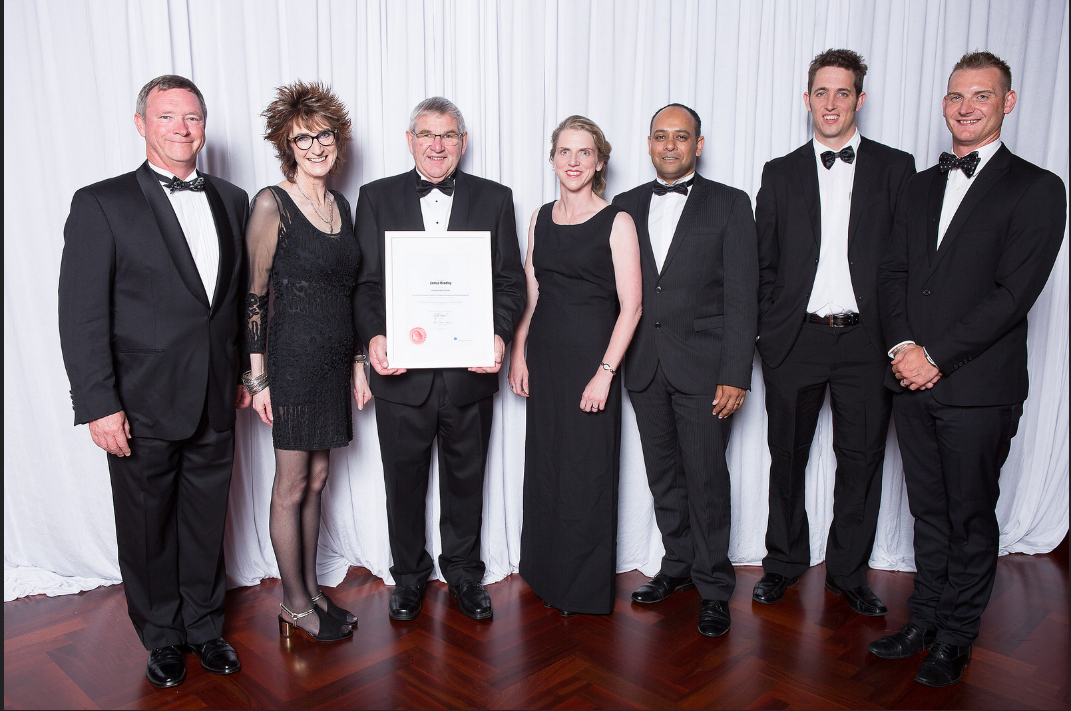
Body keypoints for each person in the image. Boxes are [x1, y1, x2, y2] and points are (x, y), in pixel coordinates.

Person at [872, 51, 1066, 687]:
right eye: (956, 96)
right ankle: (925, 618)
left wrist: (937, 357)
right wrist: (903, 347)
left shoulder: (1037, 188)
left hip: (979, 388)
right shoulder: (920, 185)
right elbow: (893, 274)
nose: (965, 107)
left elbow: (1014, 294)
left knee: (969, 516)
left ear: (1006, 103)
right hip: (910, 380)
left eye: (981, 96)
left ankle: (957, 636)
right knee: (927, 512)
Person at [58, 75, 249, 688]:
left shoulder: (233, 197)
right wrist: (98, 404)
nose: (182, 128)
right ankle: (162, 636)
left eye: (192, 117)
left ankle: (204, 625)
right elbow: (82, 314)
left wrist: (245, 370)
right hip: (138, 403)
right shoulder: (101, 202)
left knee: (204, 519)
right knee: (146, 526)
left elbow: (237, 300)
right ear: (141, 123)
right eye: (167, 117)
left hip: (217, 394)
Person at [752, 50, 915, 616]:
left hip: (867, 343)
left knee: (862, 458)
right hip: (795, 339)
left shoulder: (897, 169)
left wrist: (898, 337)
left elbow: (904, 261)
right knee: (786, 456)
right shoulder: (779, 172)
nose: (830, 103)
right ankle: (784, 562)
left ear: (859, 100)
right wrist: (770, 335)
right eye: (821, 92)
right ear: (806, 99)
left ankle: (848, 573)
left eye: (842, 93)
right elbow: (763, 263)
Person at [353, 97, 526, 621]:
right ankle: (407, 577)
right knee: (401, 485)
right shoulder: (375, 197)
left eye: (447, 135)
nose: (437, 145)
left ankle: (465, 575)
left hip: (467, 375)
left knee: (465, 483)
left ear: (462, 142)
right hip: (400, 376)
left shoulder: (495, 199)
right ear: (409, 140)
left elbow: (510, 283)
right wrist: (374, 338)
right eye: (426, 134)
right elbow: (365, 286)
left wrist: (497, 335)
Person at [612, 104, 758, 637]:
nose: (669, 145)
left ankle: (715, 584)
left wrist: (736, 373)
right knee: (663, 473)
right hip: (645, 365)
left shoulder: (730, 203)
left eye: (681, 136)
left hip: (706, 369)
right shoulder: (624, 206)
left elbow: (744, 295)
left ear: (698, 144)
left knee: (706, 476)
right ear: (648, 143)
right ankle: (677, 566)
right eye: (660, 136)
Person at [244, 81, 369, 642]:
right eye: (302, 139)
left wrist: (358, 360)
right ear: (286, 146)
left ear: (337, 139)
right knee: (290, 484)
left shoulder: (341, 204)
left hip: (332, 362)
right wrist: (258, 374)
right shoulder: (272, 202)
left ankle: (313, 592)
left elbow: (349, 291)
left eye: (323, 135)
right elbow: (254, 294)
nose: (316, 146)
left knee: (318, 478)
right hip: (291, 362)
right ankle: (294, 604)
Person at [509, 116, 642, 616]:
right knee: (546, 467)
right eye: (564, 151)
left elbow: (632, 307)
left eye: (584, 152)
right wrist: (519, 349)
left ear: (600, 161)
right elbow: (533, 291)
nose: (573, 161)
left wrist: (606, 372)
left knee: (587, 473)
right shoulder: (539, 218)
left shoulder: (618, 221)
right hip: (545, 357)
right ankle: (545, 577)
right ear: (552, 159)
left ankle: (582, 591)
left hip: (592, 361)